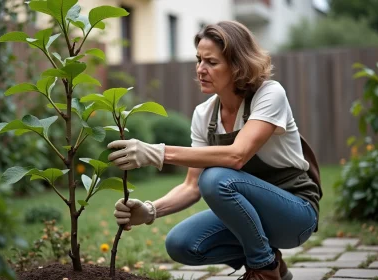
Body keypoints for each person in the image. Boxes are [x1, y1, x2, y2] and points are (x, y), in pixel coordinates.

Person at [107, 21, 322, 280]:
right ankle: (272, 262)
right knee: (181, 243)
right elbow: (192, 186)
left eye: (211, 62)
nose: (200, 69)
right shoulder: (204, 115)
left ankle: (264, 270)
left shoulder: (269, 94)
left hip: (295, 212)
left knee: (218, 178)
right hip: (251, 214)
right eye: (198, 60)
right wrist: (151, 210)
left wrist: (159, 153)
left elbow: (237, 155)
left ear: (238, 65)